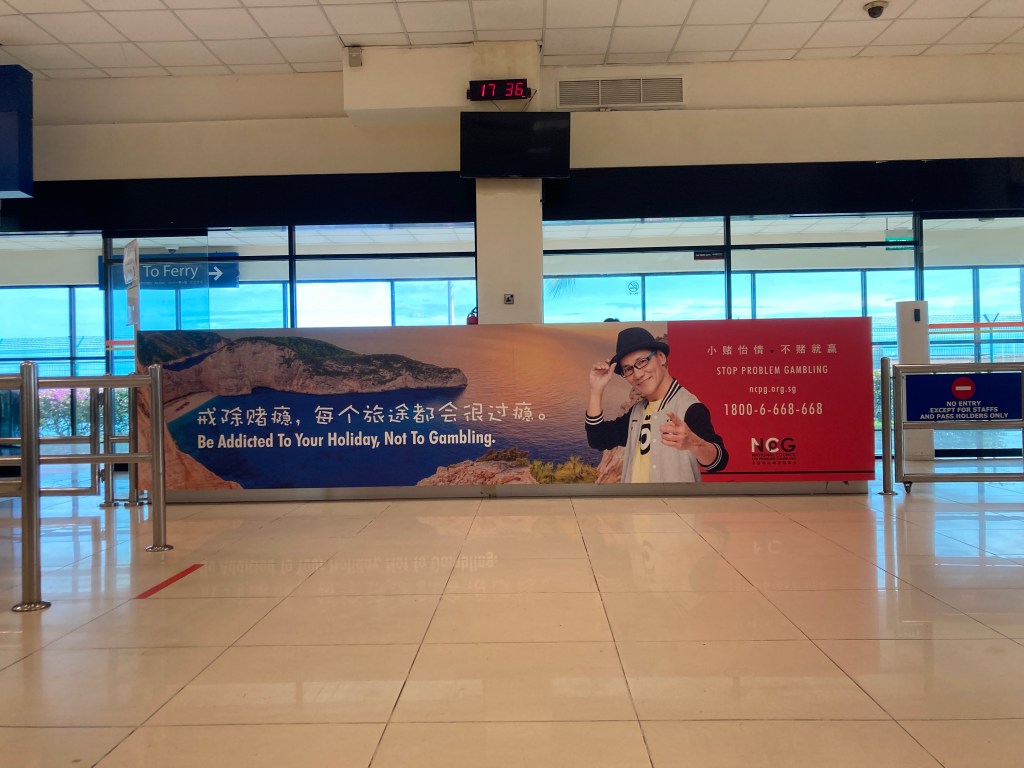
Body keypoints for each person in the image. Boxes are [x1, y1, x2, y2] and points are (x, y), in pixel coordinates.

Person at [585, 326, 728, 482]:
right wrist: (596, 390)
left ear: (661, 357)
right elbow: (598, 439)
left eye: (642, 362)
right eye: (628, 369)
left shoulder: (689, 407)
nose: (638, 374)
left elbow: (719, 461)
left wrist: (693, 442)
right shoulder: (637, 412)